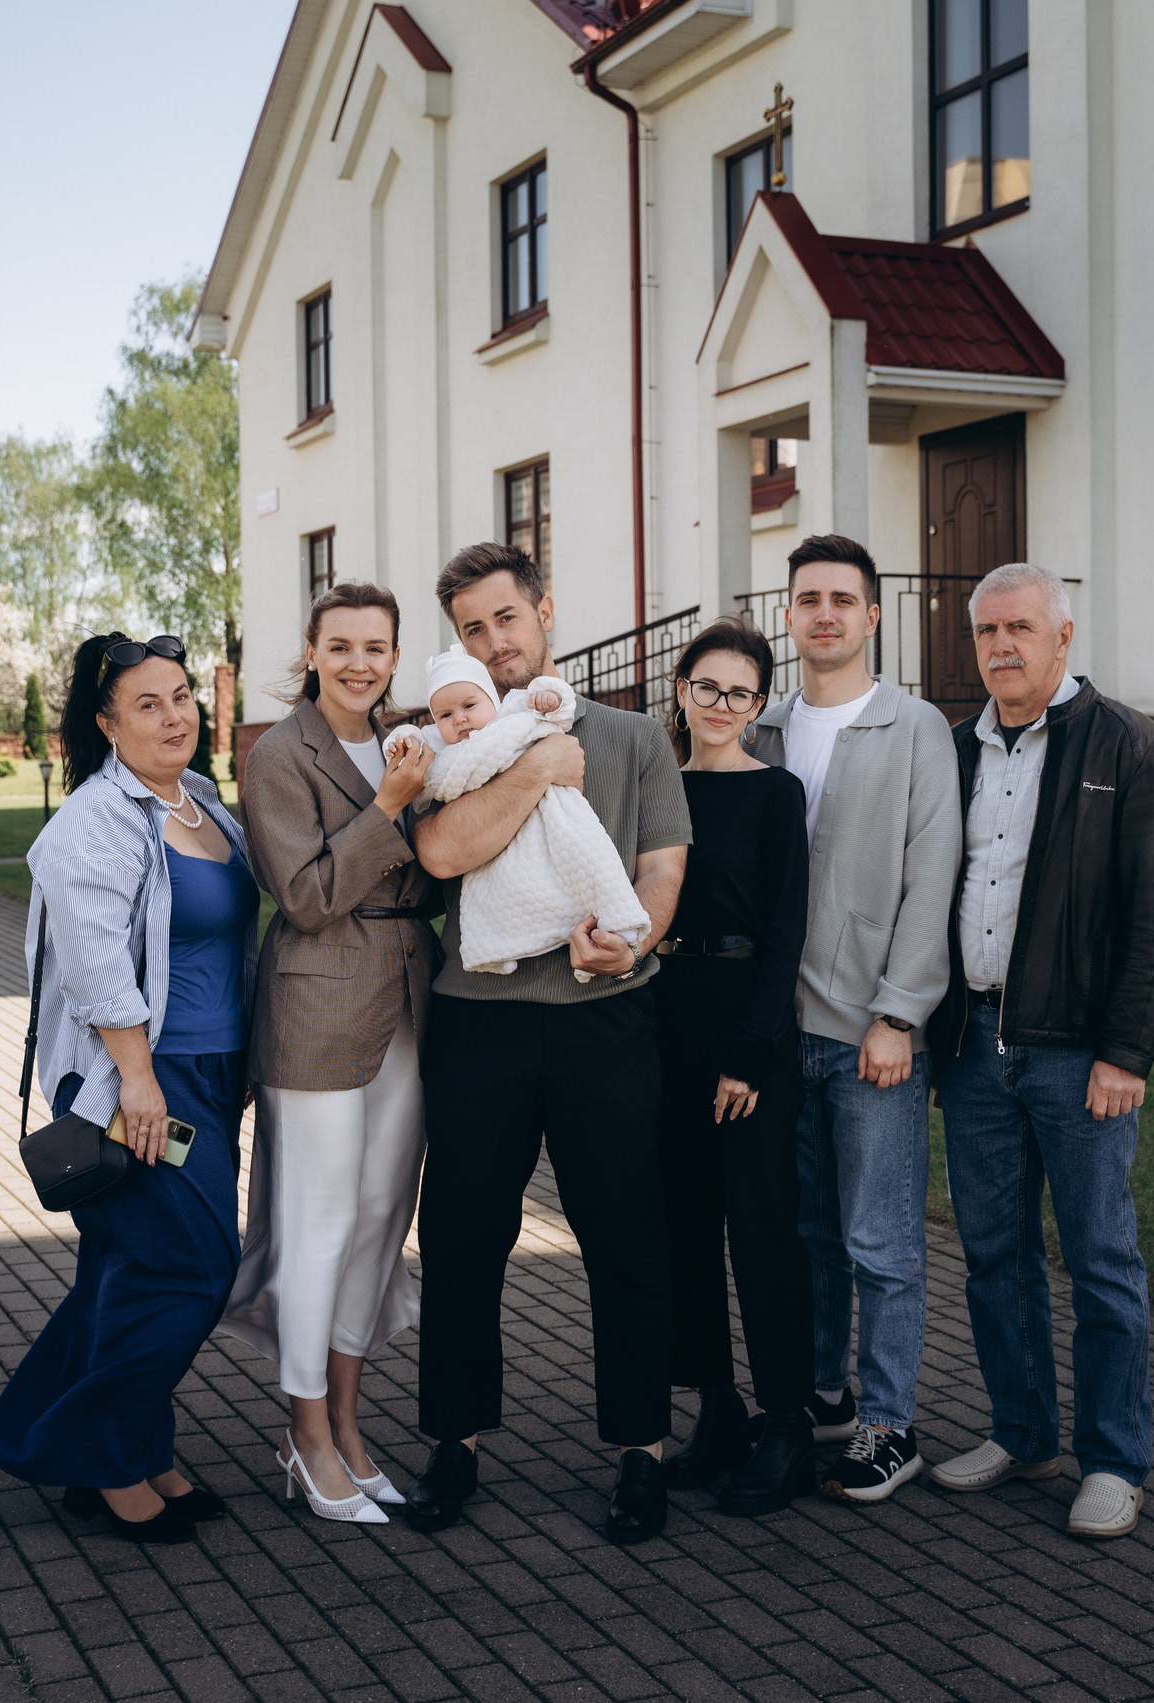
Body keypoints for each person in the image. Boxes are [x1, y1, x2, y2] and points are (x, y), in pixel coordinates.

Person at [401, 541, 691, 1545]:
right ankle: (453, 1443)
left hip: (605, 1015)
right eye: (472, 629)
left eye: (506, 618)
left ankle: (642, 1450)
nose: (494, 643)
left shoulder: (631, 736)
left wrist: (634, 940)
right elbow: (444, 850)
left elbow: (661, 867)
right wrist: (533, 766)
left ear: (545, 611)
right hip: (478, 1017)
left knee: (625, 1235)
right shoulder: (450, 736)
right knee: (463, 1237)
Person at [925, 563, 1154, 1540]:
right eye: (986, 630)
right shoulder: (954, 749)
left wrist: (1127, 1051)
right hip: (974, 1047)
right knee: (994, 1255)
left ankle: (1113, 1458)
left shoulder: (1128, 744)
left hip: (1079, 1056)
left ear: (1063, 637)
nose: (1001, 645)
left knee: (1100, 1259)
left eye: (1020, 627)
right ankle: (1023, 1430)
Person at [0, 632, 257, 1545]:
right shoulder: (95, 821)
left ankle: (129, 1449)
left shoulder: (201, 801)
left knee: (126, 1269)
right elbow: (96, 965)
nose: (175, 716)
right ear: (106, 724)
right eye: (148, 704)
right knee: (193, 1267)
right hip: (139, 1077)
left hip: (209, 1073)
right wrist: (138, 1080)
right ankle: (97, 1454)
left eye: (181, 696)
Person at [747, 535, 961, 1505]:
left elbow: (931, 876)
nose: (824, 613)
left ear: (872, 615)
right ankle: (827, 1393)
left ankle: (890, 1424)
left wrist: (899, 1015)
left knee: (881, 1238)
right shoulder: (764, 726)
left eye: (842, 598)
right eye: (808, 598)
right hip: (780, 1030)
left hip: (870, 1030)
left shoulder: (913, 727)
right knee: (808, 1233)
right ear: (788, 614)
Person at [223, 582, 439, 1526]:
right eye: (340, 645)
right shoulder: (280, 754)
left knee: (380, 1219)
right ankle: (304, 1433)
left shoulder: (406, 740)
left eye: (376, 647)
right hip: (315, 1002)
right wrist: (389, 804)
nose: (359, 663)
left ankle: (348, 1425)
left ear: (395, 655)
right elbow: (306, 897)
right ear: (311, 651)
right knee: (319, 1221)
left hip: (407, 1000)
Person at [649, 618, 819, 1516]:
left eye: (740, 692)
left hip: (747, 1031)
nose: (721, 704)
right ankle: (717, 1411)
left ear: (758, 705)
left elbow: (787, 931)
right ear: (682, 690)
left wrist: (751, 1055)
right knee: (685, 1227)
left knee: (761, 1232)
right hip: (665, 1023)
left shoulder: (776, 793)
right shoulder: (658, 788)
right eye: (707, 687)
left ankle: (786, 1424)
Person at [384, 651, 648, 975]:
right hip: (490, 825)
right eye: (446, 714)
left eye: (469, 705)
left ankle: (617, 920)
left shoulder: (510, 712)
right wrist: (399, 742)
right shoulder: (441, 743)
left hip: (549, 811)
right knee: (500, 884)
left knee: (585, 852)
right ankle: (506, 943)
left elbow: (559, 708)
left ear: (491, 699)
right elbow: (412, 737)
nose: (460, 719)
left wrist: (549, 698)